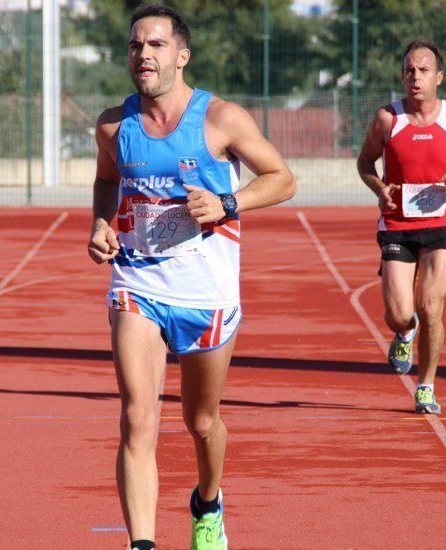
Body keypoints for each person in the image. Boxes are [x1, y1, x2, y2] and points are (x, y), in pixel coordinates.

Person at [87, 5, 295, 549]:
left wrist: (228, 201)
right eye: (136, 46)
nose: (144, 55)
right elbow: (107, 180)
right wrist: (100, 223)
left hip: (207, 294)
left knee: (201, 423)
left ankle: (208, 499)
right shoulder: (114, 124)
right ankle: (143, 543)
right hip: (138, 284)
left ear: (182, 55)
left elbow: (282, 179)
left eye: (155, 45)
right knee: (137, 419)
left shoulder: (220, 119)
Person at [356, 40, 446, 414]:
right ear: (402, 77)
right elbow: (365, 163)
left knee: (431, 306)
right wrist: (380, 188)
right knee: (400, 312)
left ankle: (426, 385)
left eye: (424, 70)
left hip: (442, 222)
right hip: (398, 224)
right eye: (409, 71)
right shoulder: (388, 119)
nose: (415, 77)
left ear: (439, 77)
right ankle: (403, 332)